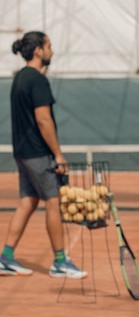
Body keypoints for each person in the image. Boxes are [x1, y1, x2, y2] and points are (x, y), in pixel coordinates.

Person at [0, 31, 87, 279]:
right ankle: (60, 261)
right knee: (53, 201)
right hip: (38, 154)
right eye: (49, 46)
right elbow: (43, 119)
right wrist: (58, 154)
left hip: (22, 152)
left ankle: (5, 258)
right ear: (38, 50)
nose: (52, 51)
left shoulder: (21, 78)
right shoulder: (37, 80)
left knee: (28, 200)